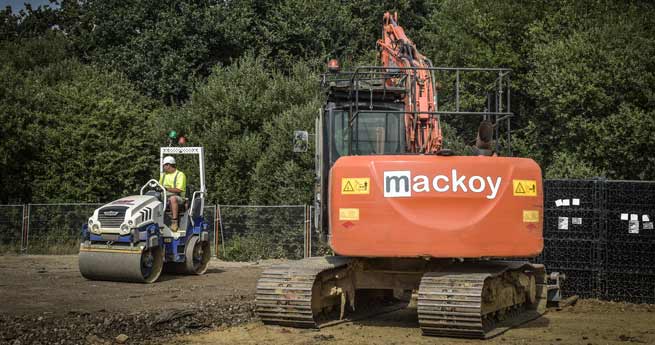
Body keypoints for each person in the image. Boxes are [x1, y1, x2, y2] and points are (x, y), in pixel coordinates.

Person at [159, 156, 187, 231]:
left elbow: (179, 190)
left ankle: (174, 222)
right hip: (165, 196)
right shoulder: (163, 175)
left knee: (173, 198)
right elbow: (159, 186)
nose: (163, 167)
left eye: (164, 165)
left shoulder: (180, 175)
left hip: (178, 198)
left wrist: (166, 189)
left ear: (169, 165)